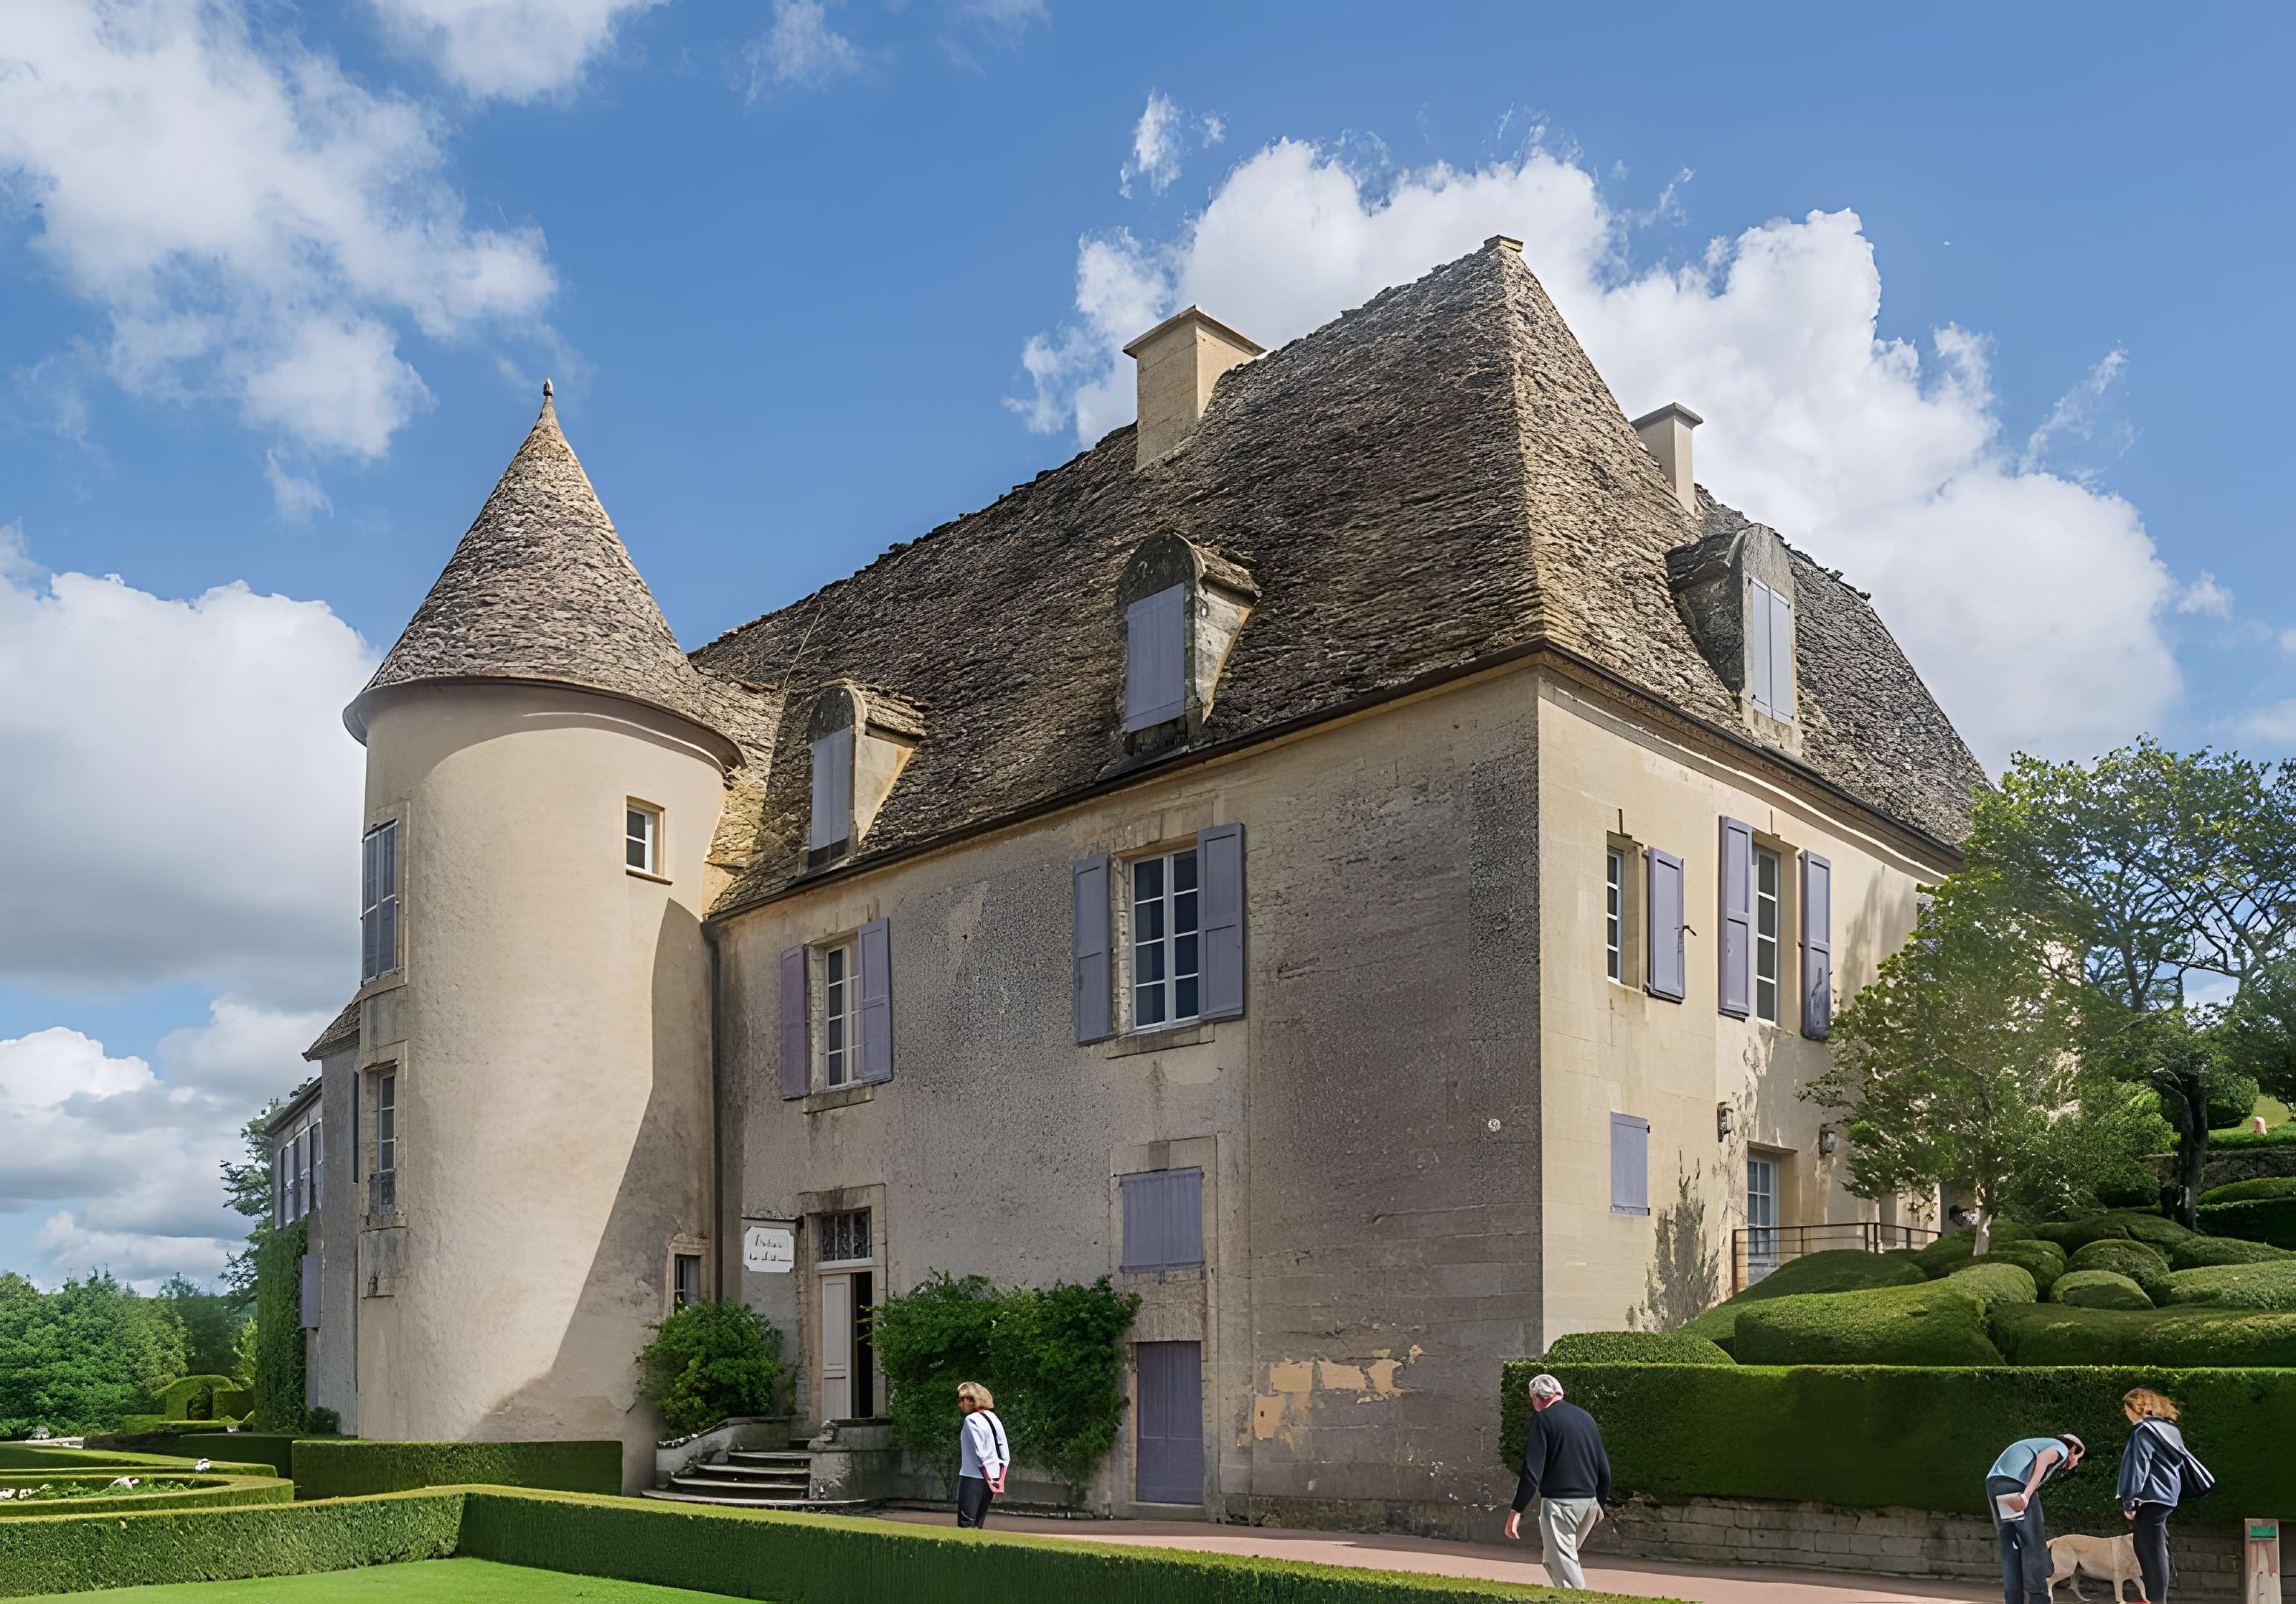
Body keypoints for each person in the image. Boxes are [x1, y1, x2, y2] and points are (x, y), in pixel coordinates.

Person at [1504, 1373, 1612, 1590]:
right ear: (1560, 1393)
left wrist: (1516, 1511)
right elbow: (1604, 1469)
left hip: (1561, 1507)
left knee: (1567, 1570)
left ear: (1536, 1399)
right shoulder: (1585, 1418)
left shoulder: (1543, 1419)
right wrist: (1599, 1503)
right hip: (1589, 1505)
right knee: (1553, 1561)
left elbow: (1532, 1472)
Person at [1987, 1432, 2085, 1604]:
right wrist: (2026, 1495)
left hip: (1995, 1484)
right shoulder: (2060, 1447)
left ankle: (2014, 1600)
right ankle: (2039, 1599)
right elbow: (2043, 1458)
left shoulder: (2038, 1442)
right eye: (2079, 1458)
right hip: (2015, 1484)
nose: (2076, 1463)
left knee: (2012, 1546)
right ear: (2074, 1449)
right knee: (2035, 1543)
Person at [2118, 1388, 2193, 1603]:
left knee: (2149, 1548)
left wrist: (2129, 1500)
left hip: (2150, 1495)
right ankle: (2154, 1598)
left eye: (2128, 1409)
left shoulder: (2144, 1430)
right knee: (2153, 1544)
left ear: (2139, 1408)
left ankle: (2155, 1600)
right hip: (2168, 1494)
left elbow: (2138, 1467)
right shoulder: (2170, 1429)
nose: (2127, 1414)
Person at [955, 1380, 1008, 1529]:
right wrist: (1000, 1473)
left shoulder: (971, 1420)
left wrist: (984, 1467)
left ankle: (965, 1553)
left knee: (966, 1525)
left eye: (962, 1400)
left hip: (972, 1477)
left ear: (972, 1401)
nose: (960, 1404)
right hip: (992, 1477)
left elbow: (981, 1451)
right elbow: (1004, 1449)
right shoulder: (994, 1418)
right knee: (978, 1524)